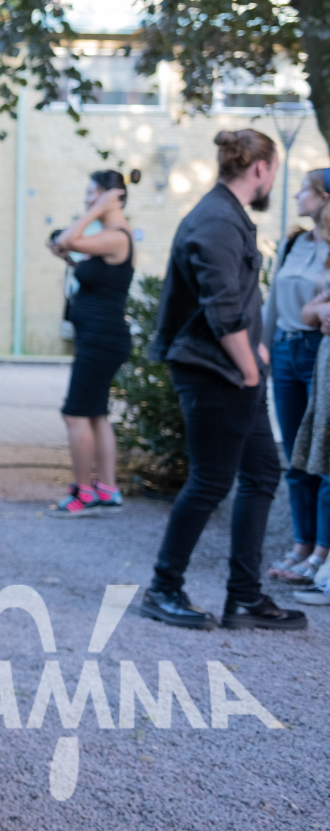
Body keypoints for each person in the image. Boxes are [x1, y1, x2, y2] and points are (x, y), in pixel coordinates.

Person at [138, 129, 305, 631]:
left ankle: (245, 597)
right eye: (275, 171)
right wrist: (250, 367)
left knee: (262, 473)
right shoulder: (216, 221)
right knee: (211, 481)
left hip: (232, 370)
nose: (273, 180)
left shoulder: (227, 216)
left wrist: (254, 352)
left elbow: (235, 299)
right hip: (214, 372)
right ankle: (163, 589)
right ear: (261, 168)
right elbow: (222, 307)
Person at [44, 170, 135, 516]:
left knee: (75, 414)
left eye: (92, 193)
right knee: (96, 414)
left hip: (102, 339)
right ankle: (107, 490)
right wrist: (69, 259)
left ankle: (84, 493)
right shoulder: (108, 238)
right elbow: (77, 255)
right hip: (99, 337)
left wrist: (97, 209)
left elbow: (69, 238)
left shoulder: (117, 237)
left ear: (113, 196)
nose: (86, 200)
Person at [265, 168, 330, 583]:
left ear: (325, 198)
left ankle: (322, 554)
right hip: (284, 349)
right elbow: (273, 301)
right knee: (295, 459)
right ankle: (301, 545)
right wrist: (261, 351)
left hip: (319, 352)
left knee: (323, 458)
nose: (297, 195)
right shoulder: (293, 242)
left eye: (306, 189)